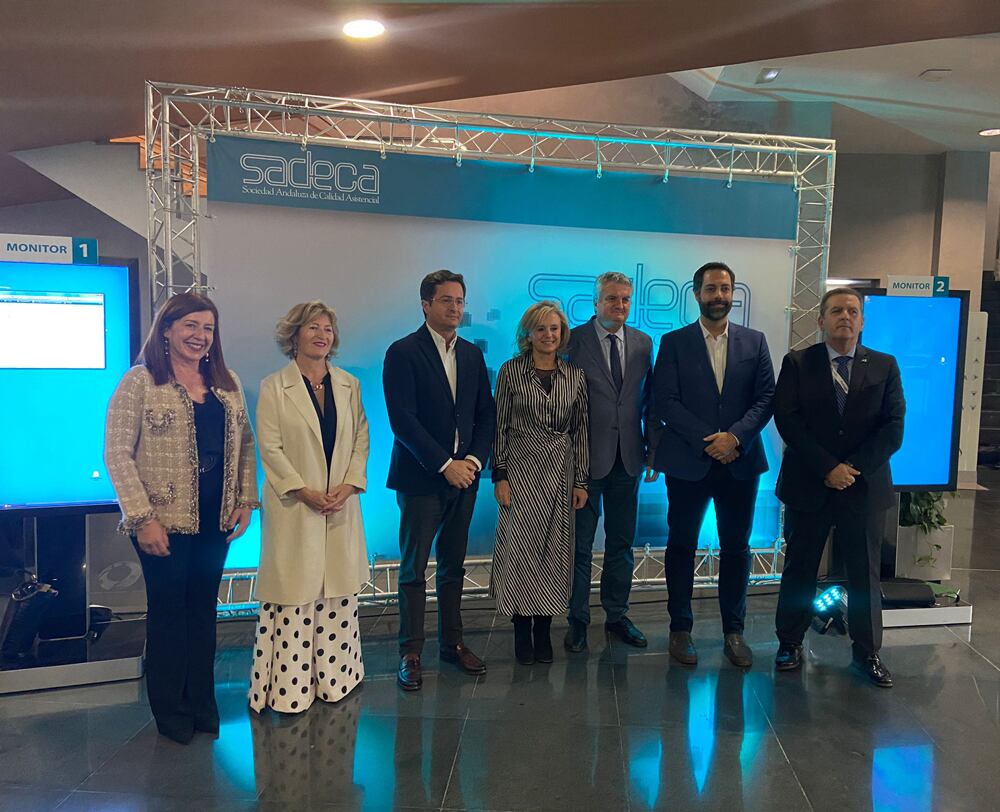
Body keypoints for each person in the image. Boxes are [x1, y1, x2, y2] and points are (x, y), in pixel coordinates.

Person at [104, 292, 258, 744]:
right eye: (190, 325)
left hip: (215, 519)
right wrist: (142, 518)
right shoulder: (140, 381)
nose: (200, 335)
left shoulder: (226, 383)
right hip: (161, 520)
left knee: (202, 613)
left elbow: (245, 445)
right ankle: (171, 712)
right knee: (170, 614)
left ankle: (202, 705)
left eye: (208, 328)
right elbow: (117, 453)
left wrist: (245, 500)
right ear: (167, 330)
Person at [773, 287, 904, 687]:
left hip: (863, 488)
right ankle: (789, 643)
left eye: (852, 311)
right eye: (836, 311)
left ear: (862, 321)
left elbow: (893, 427)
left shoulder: (884, 365)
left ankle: (867, 652)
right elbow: (788, 420)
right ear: (821, 320)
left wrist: (852, 468)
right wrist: (828, 467)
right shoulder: (798, 362)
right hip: (809, 484)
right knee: (800, 568)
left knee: (864, 574)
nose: (844, 316)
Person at [650, 262, 775, 668]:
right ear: (696, 294)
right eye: (710, 289)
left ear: (733, 293)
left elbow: (766, 398)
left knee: (737, 548)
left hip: (740, 461)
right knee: (681, 546)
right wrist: (710, 440)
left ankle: (734, 632)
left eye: (724, 288)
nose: (718, 296)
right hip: (689, 462)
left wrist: (734, 437)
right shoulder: (674, 342)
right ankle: (680, 629)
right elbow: (665, 401)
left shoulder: (755, 342)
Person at [250, 301, 370, 713]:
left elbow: (361, 438)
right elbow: (270, 448)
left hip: (340, 505)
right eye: (313, 327)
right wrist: (302, 491)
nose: (322, 335)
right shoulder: (274, 387)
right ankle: (290, 689)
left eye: (328, 329)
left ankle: (336, 680)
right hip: (295, 508)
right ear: (294, 334)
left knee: (337, 590)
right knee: (295, 593)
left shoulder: (349, 384)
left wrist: (350, 484)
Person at [383, 270, 496, 691]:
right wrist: (445, 464)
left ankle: (453, 644)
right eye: (446, 300)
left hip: (465, 479)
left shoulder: (471, 354)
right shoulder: (402, 352)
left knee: (453, 566)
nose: (455, 307)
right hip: (420, 479)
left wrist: (473, 461)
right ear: (426, 305)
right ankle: (410, 652)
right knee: (413, 569)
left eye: (460, 300)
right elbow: (402, 421)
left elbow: (485, 415)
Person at [492, 301, 590, 664]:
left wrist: (581, 481)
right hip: (520, 471)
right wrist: (500, 474)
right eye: (541, 329)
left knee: (553, 552)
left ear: (562, 334)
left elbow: (581, 431)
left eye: (554, 328)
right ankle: (521, 630)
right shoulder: (510, 372)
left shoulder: (575, 376)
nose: (549, 335)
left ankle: (544, 630)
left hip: (560, 474)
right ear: (528, 334)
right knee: (520, 551)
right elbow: (499, 427)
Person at [564, 272, 654, 653]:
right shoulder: (572, 340)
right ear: (596, 302)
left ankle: (616, 615)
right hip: (583, 462)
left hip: (628, 459)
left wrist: (653, 449)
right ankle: (578, 620)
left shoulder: (643, 343)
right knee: (580, 547)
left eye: (625, 299)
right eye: (612, 299)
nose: (620, 306)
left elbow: (649, 401)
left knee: (622, 543)